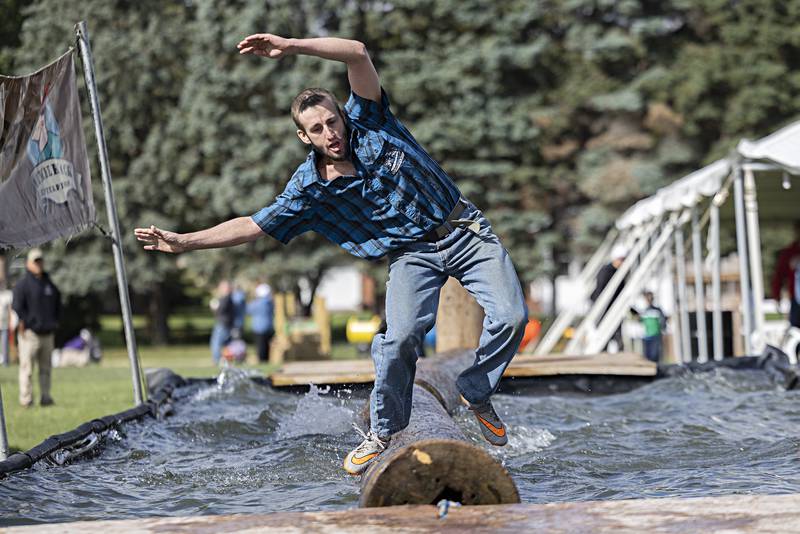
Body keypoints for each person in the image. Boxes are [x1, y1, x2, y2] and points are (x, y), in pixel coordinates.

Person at [135, 33, 527, 474]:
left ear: (343, 116)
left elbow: (357, 52)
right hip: (411, 255)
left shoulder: (371, 121)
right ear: (305, 136)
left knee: (511, 316)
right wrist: (185, 241)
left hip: (463, 230)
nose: (330, 133)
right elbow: (252, 225)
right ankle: (382, 432)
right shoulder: (310, 188)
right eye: (317, 129)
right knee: (397, 341)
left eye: (332, 122)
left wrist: (292, 45)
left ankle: (476, 389)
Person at [12, 248, 61, 407]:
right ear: (28, 264)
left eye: (40, 261)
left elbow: (58, 305)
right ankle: (26, 399)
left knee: (46, 369)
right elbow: (17, 307)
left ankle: (46, 397)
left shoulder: (49, 284)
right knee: (27, 369)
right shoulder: (22, 285)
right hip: (30, 334)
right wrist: (27, 322)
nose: (39, 264)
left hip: (47, 334)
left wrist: (54, 322)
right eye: (35, 261)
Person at [590, 244, 627, 352]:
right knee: (603, 339)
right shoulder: (606, 271)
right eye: (621, 259)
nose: (622, 262)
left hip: (615, 310)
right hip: (604, 310)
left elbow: (622, 293)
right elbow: (599, 291)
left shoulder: (621, 273)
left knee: (618, 338)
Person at [771, 220, 800, 329]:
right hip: (796, 300)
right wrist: (776, 295)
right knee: (796, 332)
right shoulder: (789, 253)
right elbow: (779, 276)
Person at [209, 280, 236, 365]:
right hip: (226, 324)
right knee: (226, 343)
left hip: (223, 324)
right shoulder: (228, 298)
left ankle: (217, 360)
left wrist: (214, 307)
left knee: (216, 343)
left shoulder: (226, 298)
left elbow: (221, 310)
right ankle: (227, 360)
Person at [247, 282, 275, 362]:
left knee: (261, 349)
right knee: (267, 348)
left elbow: (248, 310)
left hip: (259, 328)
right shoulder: (270, 302)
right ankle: (266, 361)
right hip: (269, 327)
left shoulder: (258, 303)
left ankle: (262, 361)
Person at [636, 291, 666, 363]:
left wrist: (663, 330)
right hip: (647, 336)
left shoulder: (657, 310)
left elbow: (663, 322)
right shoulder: (644, 311)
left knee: (655, 355)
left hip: (656, 335)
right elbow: (640, 320)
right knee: (648, 356)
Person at [0, 282, 12, 366]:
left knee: (5, 344)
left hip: (4, 324)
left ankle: (5, 362)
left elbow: (10, 309)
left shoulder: (7, 295)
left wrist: (10, 321)